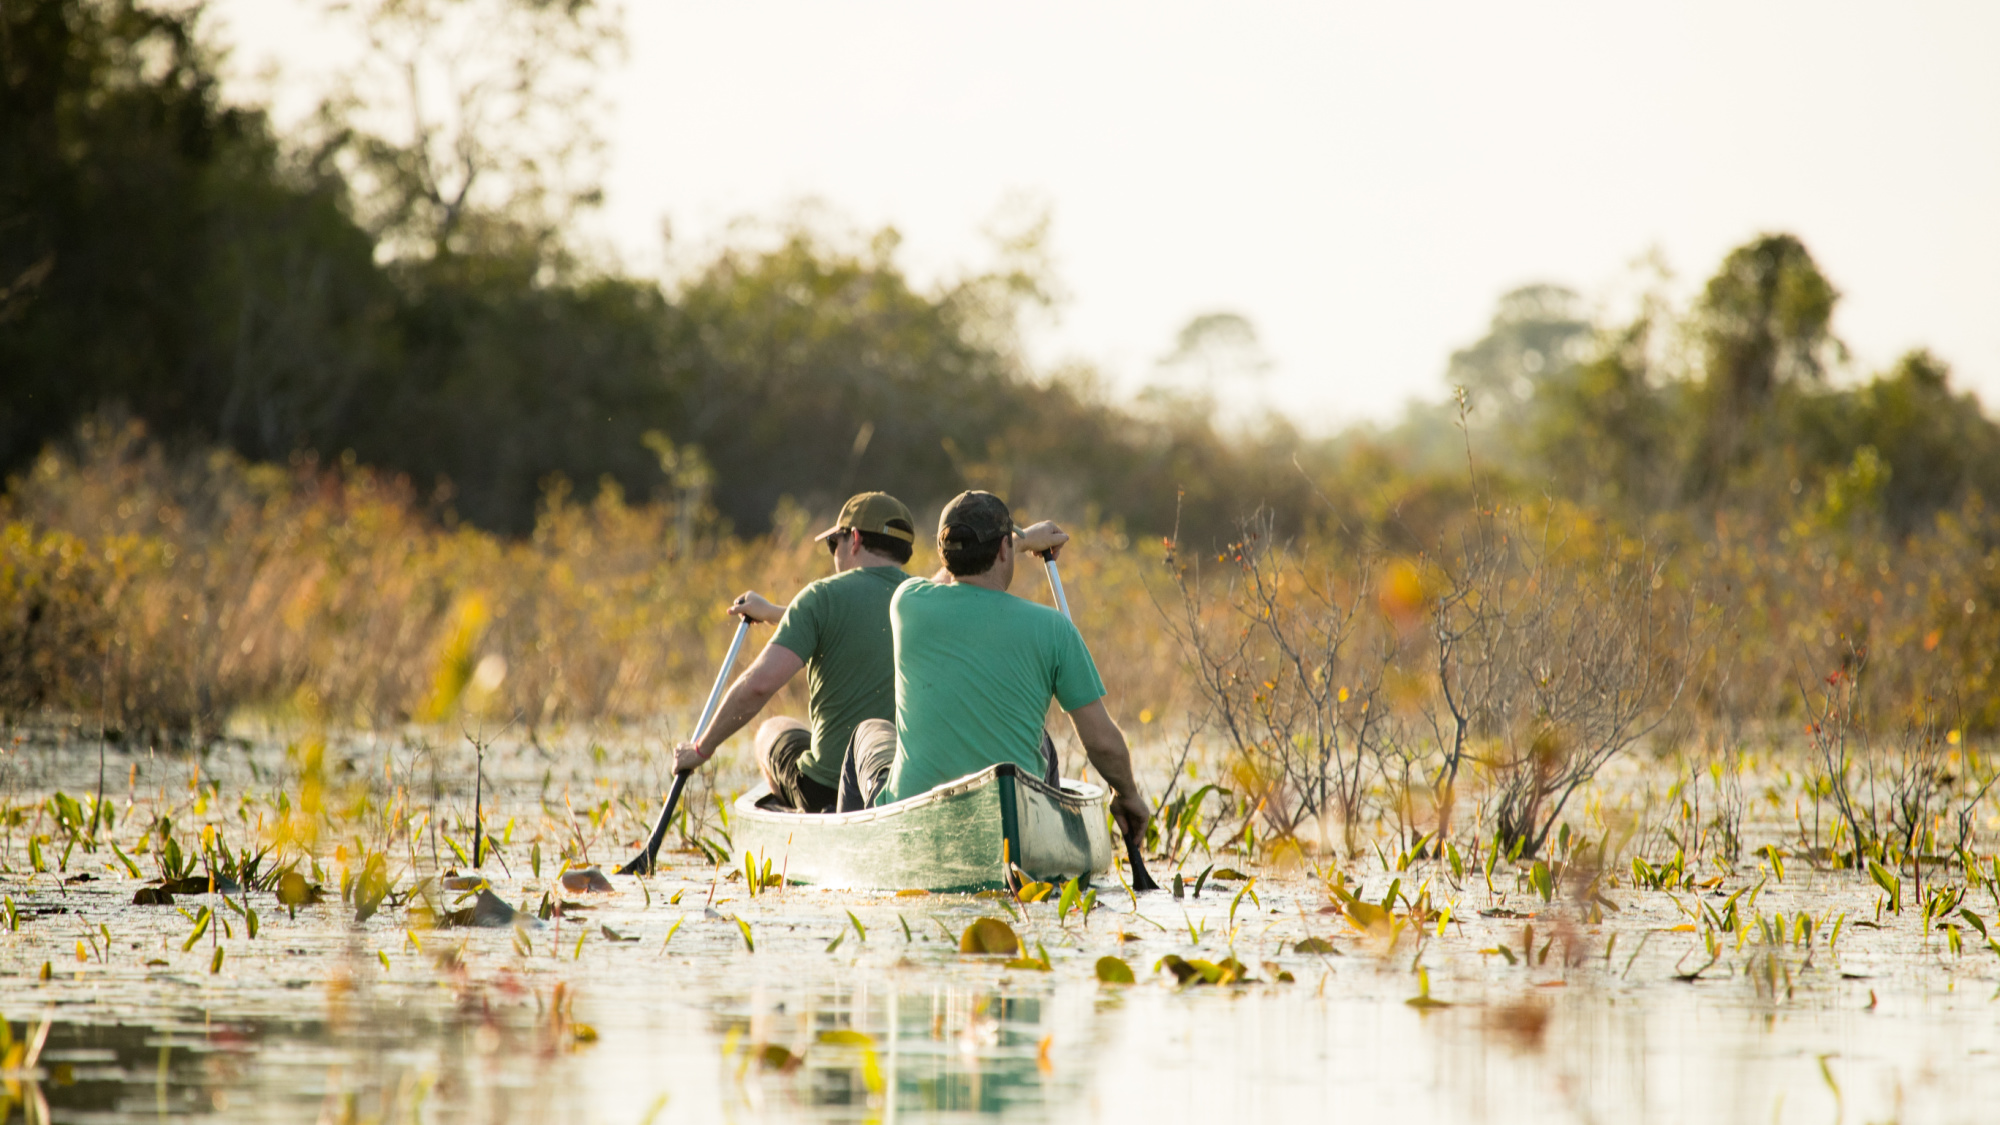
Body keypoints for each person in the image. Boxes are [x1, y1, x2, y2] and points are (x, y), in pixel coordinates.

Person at [838, 490, 1150, 847]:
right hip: (1013, 826)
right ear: (1003, 549)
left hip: (914, 818)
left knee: (869, 730)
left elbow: (942, 578)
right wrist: (1127, 795)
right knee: (1042, 745)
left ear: (943, 553)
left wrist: (1019, 539)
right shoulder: (1054, 628)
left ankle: (852, 848)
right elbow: (1103, 743)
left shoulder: (907, 602)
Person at [670, 491, 915, 812]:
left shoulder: (821, 597)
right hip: (900, 786)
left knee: (771, 730)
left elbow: (759, 686)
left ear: (853, 539)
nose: (834, 553)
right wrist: (772, 612)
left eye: (833, 544)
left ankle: (800, 814)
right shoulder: (923, 600)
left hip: (826, 790)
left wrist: (701, 749)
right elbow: (860, 622)